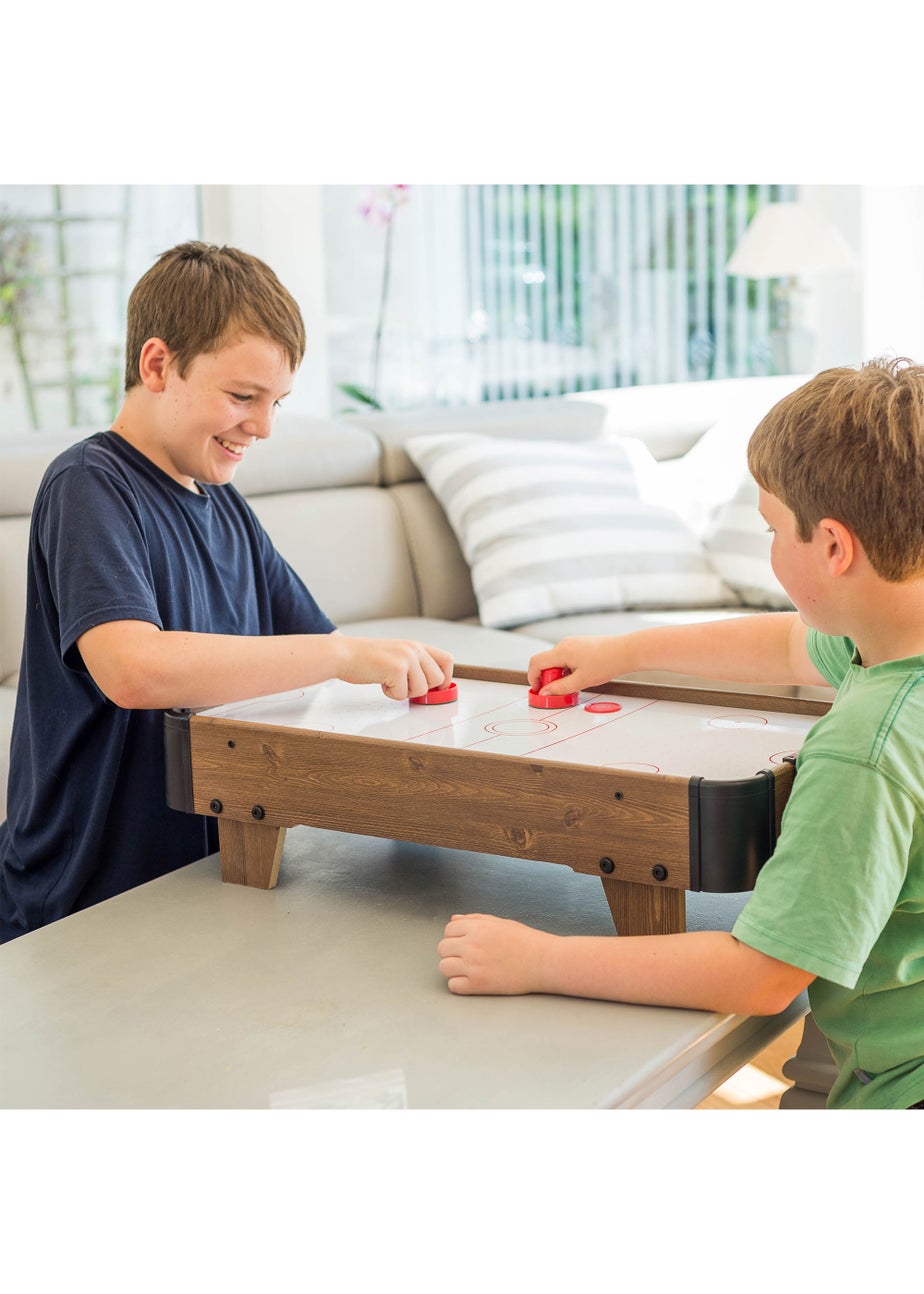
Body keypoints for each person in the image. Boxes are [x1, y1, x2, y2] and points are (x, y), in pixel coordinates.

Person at [438, 356, 924, 1110]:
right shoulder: (890, 643)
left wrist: (539, 957)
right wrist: (621, 652)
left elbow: (762, 975)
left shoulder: (868, 747)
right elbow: (786, 646)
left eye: (771, 529)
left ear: (833, 547)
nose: (768, 547)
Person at [0, 241, 453, 943]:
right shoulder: (88, 485)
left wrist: (379, 670)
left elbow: (319, 649)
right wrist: (340, 659)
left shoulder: (224, 504)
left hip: (201, 874)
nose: (264, 426)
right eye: (242, 397)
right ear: (157, 364)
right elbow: (133, 668)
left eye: (277, 402)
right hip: (83, 893)